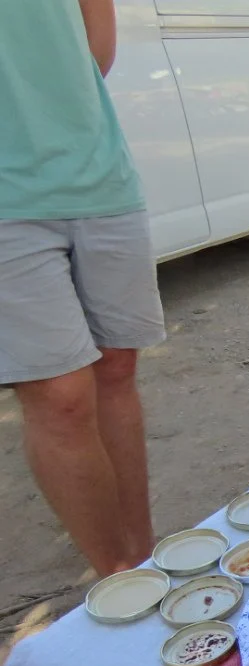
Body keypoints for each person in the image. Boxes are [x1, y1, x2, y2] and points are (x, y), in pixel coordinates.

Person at [1, 0, 164, 578]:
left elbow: (96, 46)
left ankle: (144, 562)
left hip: (98, 173)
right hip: (6, 202)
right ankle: (117, 580)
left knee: (118, 367)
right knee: (62, 398)